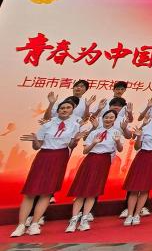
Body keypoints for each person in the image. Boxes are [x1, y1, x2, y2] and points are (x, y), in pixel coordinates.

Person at [11, 98, 83, 237]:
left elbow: (71, 146)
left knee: (47, 192)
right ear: (58, 110)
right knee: (30, 191)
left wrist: (76, 140)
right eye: (62, 108)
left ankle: (35, 224)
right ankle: (20, 225)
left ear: (72, 110)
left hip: (60, 157)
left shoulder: (74, 125)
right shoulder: (48, 124)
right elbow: (37, 146)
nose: (64, 109)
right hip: (44, 156)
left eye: (68, 108)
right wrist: (36, 141)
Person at [65, 109, 125, 232]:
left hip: (104, 161)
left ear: (115, 119)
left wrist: (118, 141)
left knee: (93, 192)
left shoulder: (117, 133)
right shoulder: (94, 132)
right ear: (102, 118)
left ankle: (84, 219)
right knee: (81, 191)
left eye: (111, 117)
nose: (108, 119)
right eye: (106, 117)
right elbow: (85, 151)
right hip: (91, 160)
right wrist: (93, 143)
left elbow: (120, 149)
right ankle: (74, 219)